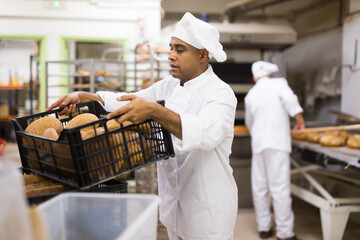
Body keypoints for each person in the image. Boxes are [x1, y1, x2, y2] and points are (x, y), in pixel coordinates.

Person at [47, 12, 238, 240]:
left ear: (203, 55)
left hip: (207, 213)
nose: (170, 56)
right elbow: (130, 99)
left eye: (179, 49)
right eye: (171, 48)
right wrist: (86, 97)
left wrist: (155, 111)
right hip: (174, 207)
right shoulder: (169, 85)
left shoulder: (220, 93)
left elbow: (206, 134)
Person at [244, 61, 305, 240]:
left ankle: (264, 228)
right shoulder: (279, 84)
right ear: (271, 74)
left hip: (259, 144)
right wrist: (299, 120)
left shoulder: (251, 94)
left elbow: (249, 123)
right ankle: (285, 233)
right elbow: (291, 101)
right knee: (279, 188)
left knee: (260, 187)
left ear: (256, 77)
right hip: (277, 143)